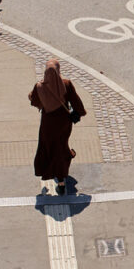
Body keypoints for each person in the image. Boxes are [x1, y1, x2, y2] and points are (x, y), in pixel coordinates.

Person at [30, 60, 86, 196]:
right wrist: (79, 112)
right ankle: (61, 180)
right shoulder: (65, 84)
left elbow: (34, 101)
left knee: (47, 146)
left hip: (47, 123)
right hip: (63, 122)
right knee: (61, 145)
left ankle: (52, 173)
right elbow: (76, 102)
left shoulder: (39, 86)